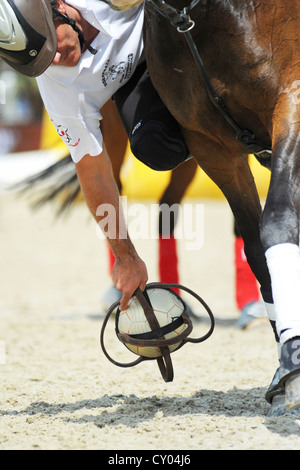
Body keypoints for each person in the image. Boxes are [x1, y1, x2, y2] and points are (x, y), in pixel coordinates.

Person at [0, 0, 265, 325]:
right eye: (40, 62)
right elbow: (93, 172)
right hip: (140, 79)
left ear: (59, 7)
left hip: (177, 36)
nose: (54, 59)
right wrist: (126, 258)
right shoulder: (57, 87)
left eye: (50, 43)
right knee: (156, 149)